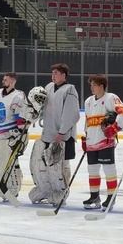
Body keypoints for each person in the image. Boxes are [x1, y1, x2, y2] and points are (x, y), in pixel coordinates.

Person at [0, 73, 46, 200]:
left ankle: (12, 188)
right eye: (3, 79)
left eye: (6, 79)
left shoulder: (18, 95)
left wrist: (17, 135)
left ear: (13, 81)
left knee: (7, 164)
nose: (3, 80)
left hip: (8, 136)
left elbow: (20, 117)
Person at [29, 63, 80, 206]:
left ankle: (60, 191)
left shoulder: (69, 90)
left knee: (59, 166)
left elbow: (72, 114)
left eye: (56, 73)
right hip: (48, 134)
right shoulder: (48, 87)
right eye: (52, 73)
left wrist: (62, 131)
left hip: (62, 136)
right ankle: (45, 190)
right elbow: (42, 107)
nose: (53, 75)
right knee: (42, 165)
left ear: (64, 75)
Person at [82, 74, 123, 210]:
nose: (91, 87)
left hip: (105, 141)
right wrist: (85, 137)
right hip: (92, 142)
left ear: (101, 86)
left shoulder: (111, 98)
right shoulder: (88, 101)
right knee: (92, 170)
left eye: (94, 85)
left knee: (109, 170)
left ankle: (111, 196)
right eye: (90, 85)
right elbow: (88, 121)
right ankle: (94, 195)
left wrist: (115, 128)